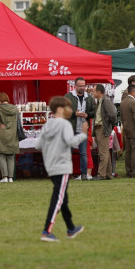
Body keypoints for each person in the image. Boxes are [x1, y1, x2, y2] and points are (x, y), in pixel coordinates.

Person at [34, 95, 87, 241]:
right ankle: (46, 230)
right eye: (68, 107)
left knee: (63, 199)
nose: (70, 110)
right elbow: (70, 141)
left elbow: (38, 145)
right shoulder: (64, 124)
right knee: (58, 198)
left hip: (51, 166)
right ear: (60, 109)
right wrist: (83, 135)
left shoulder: (47, 124)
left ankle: (70, 228)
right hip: (62, 165)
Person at [65, 79, 96, 180]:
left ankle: (84, 174)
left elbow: (94, 111)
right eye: (80, 86)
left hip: (83, 128)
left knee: (83, 152)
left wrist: (88, 115)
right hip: (71, 128)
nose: (82, 88)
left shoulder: (89, 97)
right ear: (75, 86)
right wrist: (75, 114)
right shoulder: (68, 96)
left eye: (83, 86)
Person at [0, 92, 20, 183]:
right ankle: (11, 178)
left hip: (1, 134)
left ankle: (5, 177)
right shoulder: (14, 108)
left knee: (1, 155)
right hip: (12, 134)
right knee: (11, 156)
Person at [119, 79, 135, 178]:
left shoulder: (123, 102)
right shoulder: (134, 102)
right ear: (133, 92)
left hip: (127, 130)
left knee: (128, 152)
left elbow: (122, 117)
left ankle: (129, 171)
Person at [91, 84, 116, 180]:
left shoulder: (106, 101)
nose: (92, 92)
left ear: (99, 92)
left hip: (102, 128)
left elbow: (113, 114)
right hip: (99, 128)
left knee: (103, 152)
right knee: (105, 151)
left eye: (94, 91)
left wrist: (110, 126)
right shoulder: (100, 101)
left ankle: (101, 174)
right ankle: (108, 173)